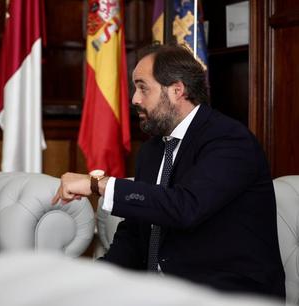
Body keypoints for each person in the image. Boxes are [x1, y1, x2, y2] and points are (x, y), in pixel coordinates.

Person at [53, 44, 285, 299]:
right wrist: (87, 283)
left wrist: (98, 184)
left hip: (228, 297)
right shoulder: (153, 150)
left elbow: (185, 207)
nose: (134, 99)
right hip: (161, 293)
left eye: (143, 87)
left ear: (177, 90)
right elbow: (134, 234)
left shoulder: (230, 140)